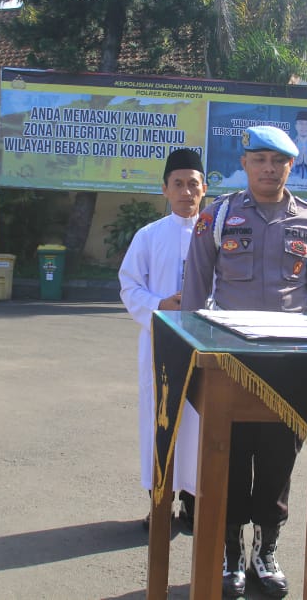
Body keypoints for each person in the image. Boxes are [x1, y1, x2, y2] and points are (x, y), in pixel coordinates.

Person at [182, 125, 307, 598]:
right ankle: (231, 552)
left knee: (277, 461)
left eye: (279, 162)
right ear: (245, 163)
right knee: (228, 457)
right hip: (230, 361)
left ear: (293, 166)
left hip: (287, 364)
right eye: (260, 160)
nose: (270, 169)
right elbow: (194, 291)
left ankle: (266, 551)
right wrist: (193, 353)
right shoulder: (218, 215)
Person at [119, 148, 206, 530]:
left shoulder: (216, 234)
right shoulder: (149, 236)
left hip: (207, 346)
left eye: (193, 184)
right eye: (178, 184)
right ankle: (160, 501)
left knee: (202, 425)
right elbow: (129, 286)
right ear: (165, 190)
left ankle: (194, 500)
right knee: (161, 421)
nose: (186, 192)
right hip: (161, 345)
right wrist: (160, 305)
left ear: (205, 189)